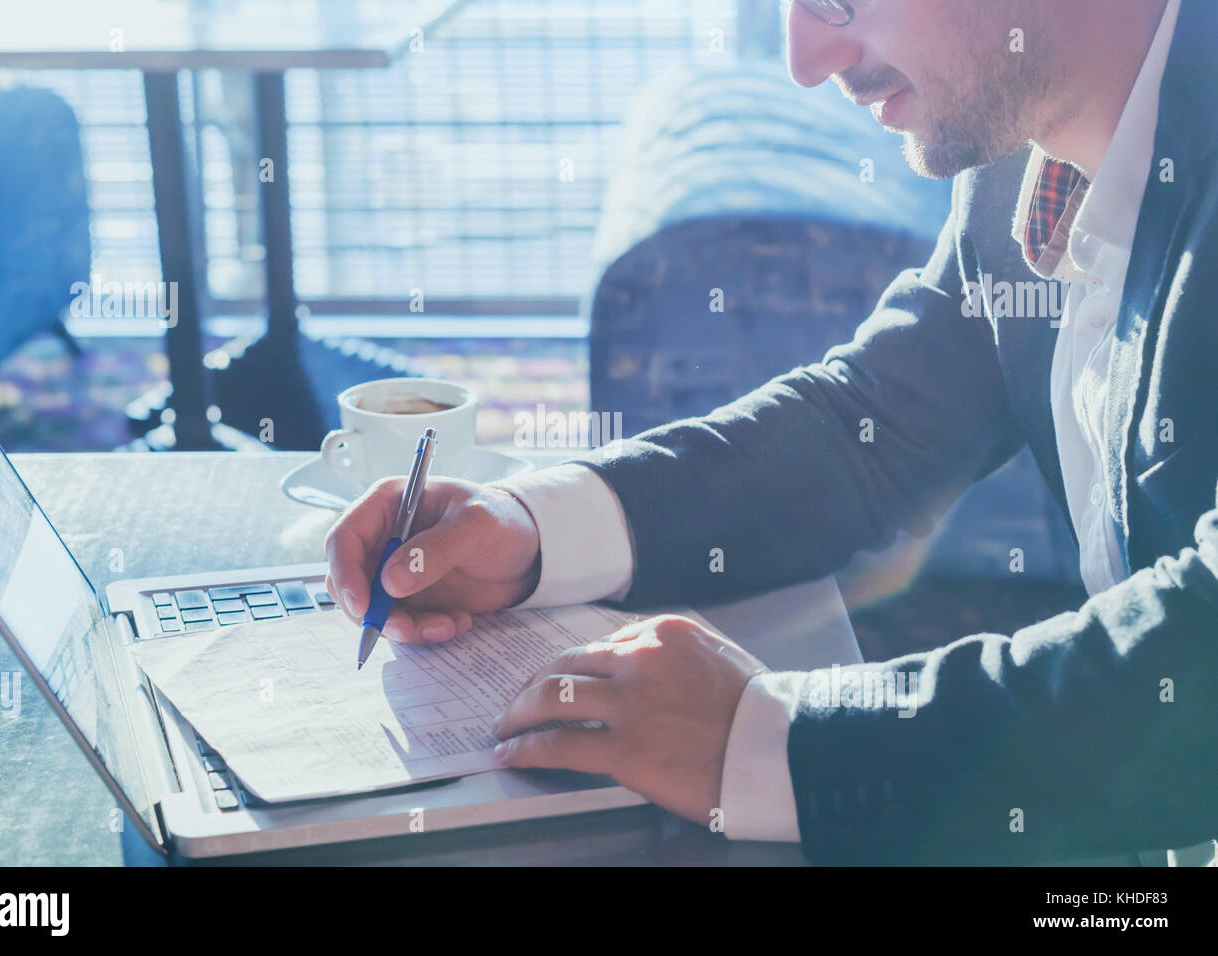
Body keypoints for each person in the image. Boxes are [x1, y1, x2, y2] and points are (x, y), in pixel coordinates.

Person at [326, 0, 1218, 864]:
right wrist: (531, 530)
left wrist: (778, 741)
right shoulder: (1028, 156)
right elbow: (871, 423)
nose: (805, 62)